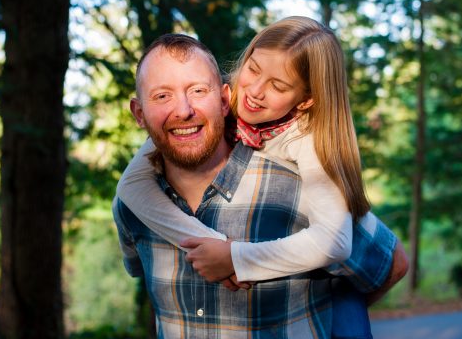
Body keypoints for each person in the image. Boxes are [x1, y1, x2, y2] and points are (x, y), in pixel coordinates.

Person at [113, 32, 408, 338]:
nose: (183, 109)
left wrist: (237, 259)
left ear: (223, 99)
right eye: (162, 96)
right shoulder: (133, 207)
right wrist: (210, 243)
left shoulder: (301, 184)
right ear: (139, 113)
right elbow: (131, 188)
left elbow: (391, 263)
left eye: (199, 90)